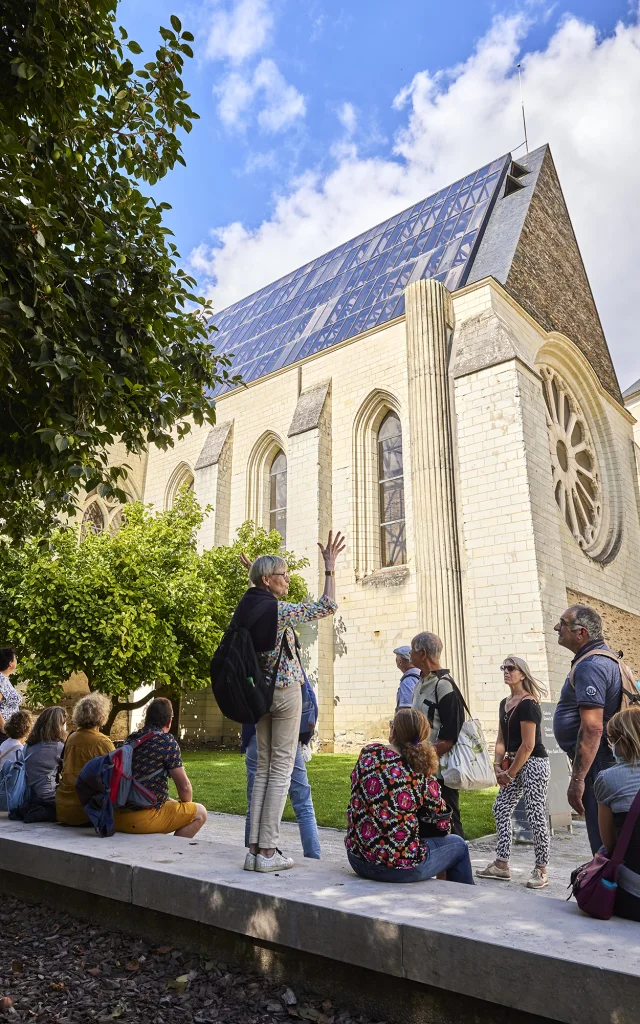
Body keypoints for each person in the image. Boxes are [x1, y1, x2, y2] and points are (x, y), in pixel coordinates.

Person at [237, 531, 345, 873]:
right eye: (283, 574)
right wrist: (329, 568)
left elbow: (261, 602)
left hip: (259, 697)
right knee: (281, 770)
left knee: (265, 770)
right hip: (284, 694)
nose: (288, 578)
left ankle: (254, 849)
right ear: (268, 579)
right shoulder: (278, 610)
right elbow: (327, 606)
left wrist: (253, 576)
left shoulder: (247, 605)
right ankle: (267, 852)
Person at [345, 707, 473, 884]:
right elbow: (442, 823)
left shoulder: (368, 754)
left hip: (358, 859)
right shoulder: (420, 773)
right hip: (400, 868)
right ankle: (464, 904)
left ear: (393, 731)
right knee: (458, 845)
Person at [476, 657, 550, 888]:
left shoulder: (528, 704)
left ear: (522, 674)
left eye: (511, 668)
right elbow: (500, 739)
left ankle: (541, 869)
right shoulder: (504, 703)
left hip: (534, 763)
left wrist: (509, 774)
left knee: (535, 813)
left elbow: (528, 745)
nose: (506, 672)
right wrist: (497, 765)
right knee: (500, 808)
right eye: (504, 668)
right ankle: (501, 864)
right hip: (512, 763)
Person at [553, 604, 621, 853]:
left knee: (603, 842)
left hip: (599, 764)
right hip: (604, 761)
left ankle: (607, 888)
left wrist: (578, 778)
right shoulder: (604, 659)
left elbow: (592, 727)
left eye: (562, 623)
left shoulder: (590, 665)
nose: (556, 627)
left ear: (581, 633)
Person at [243, 677, 321, 859]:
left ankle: (253, 854)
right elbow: (310, 700)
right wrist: (305, 739)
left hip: (254, 736)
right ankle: (312, 858)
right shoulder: (287, 662)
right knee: (302, 803)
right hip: (286, 736)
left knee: (255, 799)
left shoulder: (256, 664)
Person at [113, 697, 207, 838]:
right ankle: (171, 853)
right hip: (141, 819)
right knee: (199, 813)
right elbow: (185, 789)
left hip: (117, 816)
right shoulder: (167, 742)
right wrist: (186, 806)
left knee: (172, 802)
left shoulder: (132, 738)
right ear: (169, 721)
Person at [410, 632, 466, 837]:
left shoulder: (444, 685)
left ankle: (458, 867)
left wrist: (422, 759)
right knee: (423, 824)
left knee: (448, 823)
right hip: (421, 768)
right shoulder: (421, 681)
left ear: (422, 653)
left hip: (440, 772)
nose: (409, 655)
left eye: (412, 650)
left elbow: (450, 737)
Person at [594, 708, 640, 921]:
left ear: (623, 740)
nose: (610, 746)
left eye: (611, 740)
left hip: (633, 896)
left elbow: (611, 844)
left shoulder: (608, 779)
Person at [56, 693, 115, 826]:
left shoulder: (71, 737)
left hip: (63, 807)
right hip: (87, 810)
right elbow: (117, 773)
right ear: (102, 715)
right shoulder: (102, 742)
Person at [17, 707, 67, 823]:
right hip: (48, 796)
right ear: (59, 725)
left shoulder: (29, 746)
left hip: (29, 795)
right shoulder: (58, 747)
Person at [0, 646, 23, 737]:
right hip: (4, 731)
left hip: (9, 729)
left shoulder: (4, 679)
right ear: (10, 663)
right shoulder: (1, 680)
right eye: (15, 658)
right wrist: (3, 725)